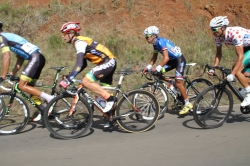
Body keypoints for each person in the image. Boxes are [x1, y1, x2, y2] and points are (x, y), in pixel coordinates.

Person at [59, 22, 117, 127]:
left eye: (64, 34)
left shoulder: (79, 42)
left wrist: (70, 78)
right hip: (107, 62)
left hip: (107, 62)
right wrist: (70, 75)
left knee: (86, 81)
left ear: (71, 33)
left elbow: (79, 63)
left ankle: (110, 99)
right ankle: (111, 118)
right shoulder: (79, 41)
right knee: (102, 91)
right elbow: (83, 64)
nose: (63, 37)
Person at [0, 20, 54, 121]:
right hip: (38, 58)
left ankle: (49, 98)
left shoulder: (1, 38)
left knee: (21, 86)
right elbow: (20, 58)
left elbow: (6, 56)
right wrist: (12, 73)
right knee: (29, 89)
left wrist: (3, 76)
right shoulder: (7, 36)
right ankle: (45, 111)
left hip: (35, 58)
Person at [142, 26, 193, 115]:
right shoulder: (155, 44)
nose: (146, 38)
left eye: (148, 36)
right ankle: (172, 83)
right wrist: (148, 67)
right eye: (145, 37)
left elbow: (166, 58)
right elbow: (154, 57)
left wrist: (157, 67)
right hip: (172, 61)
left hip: (179, 60)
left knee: (178, 82)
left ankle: (187, 103)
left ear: (154, 36)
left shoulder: (160, 42)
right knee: (158, 74)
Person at [208, 16, 250, 106]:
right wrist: (213, 68)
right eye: (212, 30)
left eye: (215, 30)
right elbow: (218, 54)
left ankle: (249, 93)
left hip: (247, 49)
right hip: (247, 47)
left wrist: (232, 74)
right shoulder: (218, 36)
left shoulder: (234, 34)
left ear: (223, 28)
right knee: (244, 74)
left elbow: (240, 56)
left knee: (236, 70)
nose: (213, 32)